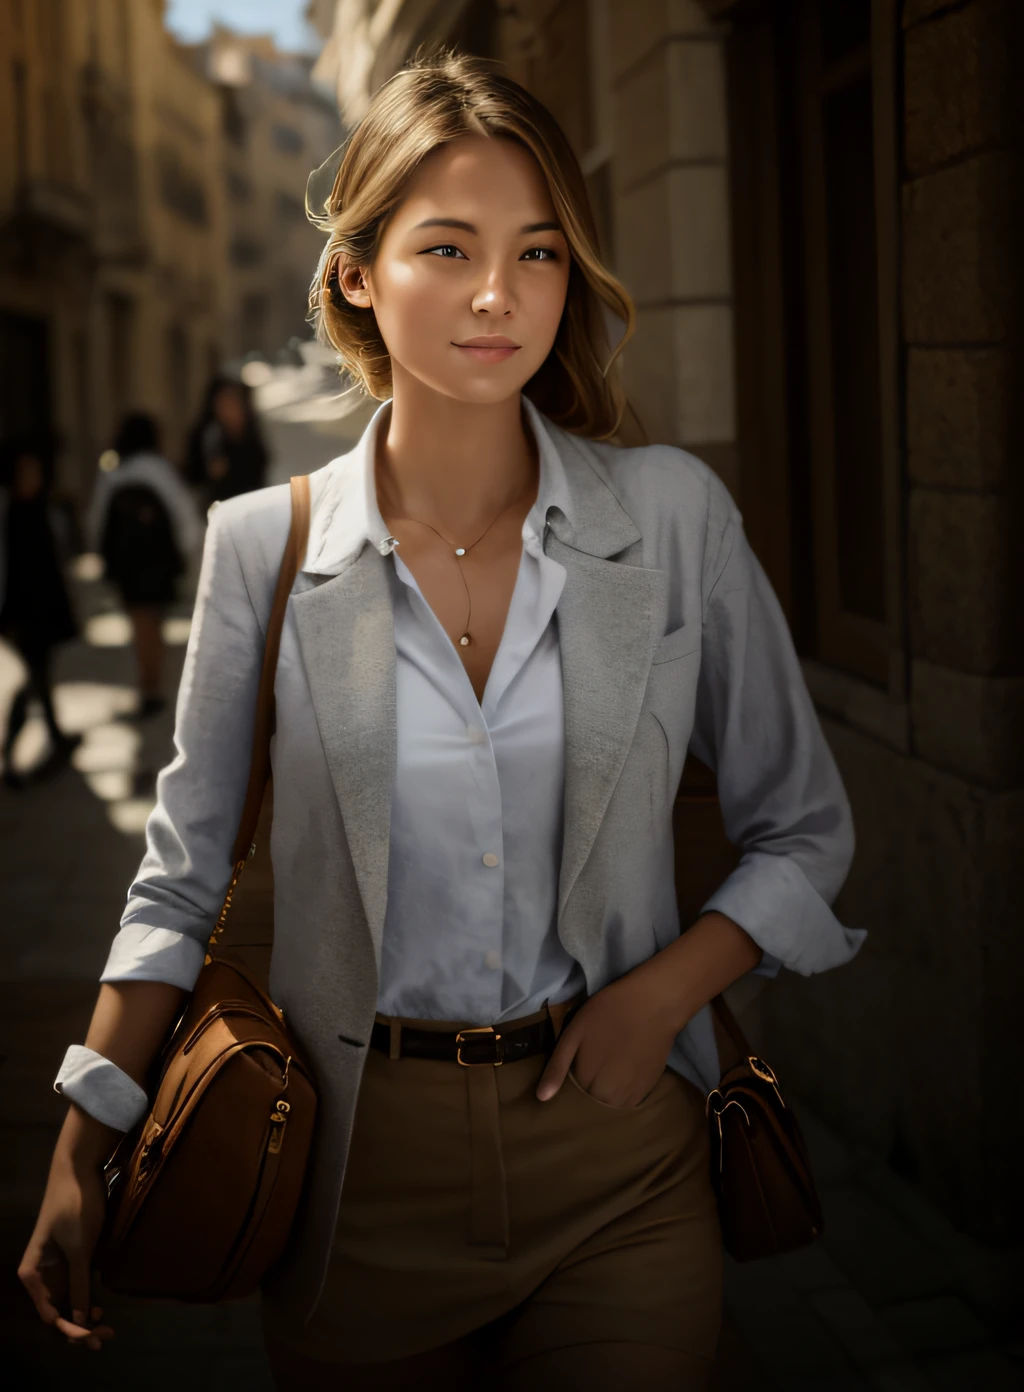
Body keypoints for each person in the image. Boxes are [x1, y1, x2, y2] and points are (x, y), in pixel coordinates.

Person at [19, 49, 866, 1389]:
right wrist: (83, 1142)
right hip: (355, 1182)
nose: (498, 295)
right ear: (357, 270)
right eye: (450, 246)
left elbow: (804, 832)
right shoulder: (263, 549)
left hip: (621, 1161)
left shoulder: (671, 520)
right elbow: (177, 880)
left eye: (538, 253)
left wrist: (665, 995)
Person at [86, 412, 202, 720]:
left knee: (140, 624)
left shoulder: (114, 471)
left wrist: (101, 556)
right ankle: (153, 685)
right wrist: (188, 555)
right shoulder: (159, 469)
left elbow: (97, 520)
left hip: (128, 566)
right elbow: (186, 518)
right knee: (154, 623)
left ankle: (147, 684)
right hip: (158, 563)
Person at [0, 437, 80, 788]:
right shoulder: (11, 517)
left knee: (36, 683)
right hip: (23, 617)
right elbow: (12, 574)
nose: (33, 478)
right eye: (26, 473)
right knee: (36, 684)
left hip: (42, 614)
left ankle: (33, 748)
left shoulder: (39, 510)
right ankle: (18, 756)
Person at [184, 374, 269, 505]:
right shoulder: (209, 435)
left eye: (234, 401)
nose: (230, 407)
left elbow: (260, 465)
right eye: (224, 402)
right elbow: (193, 474)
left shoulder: (249, 432)